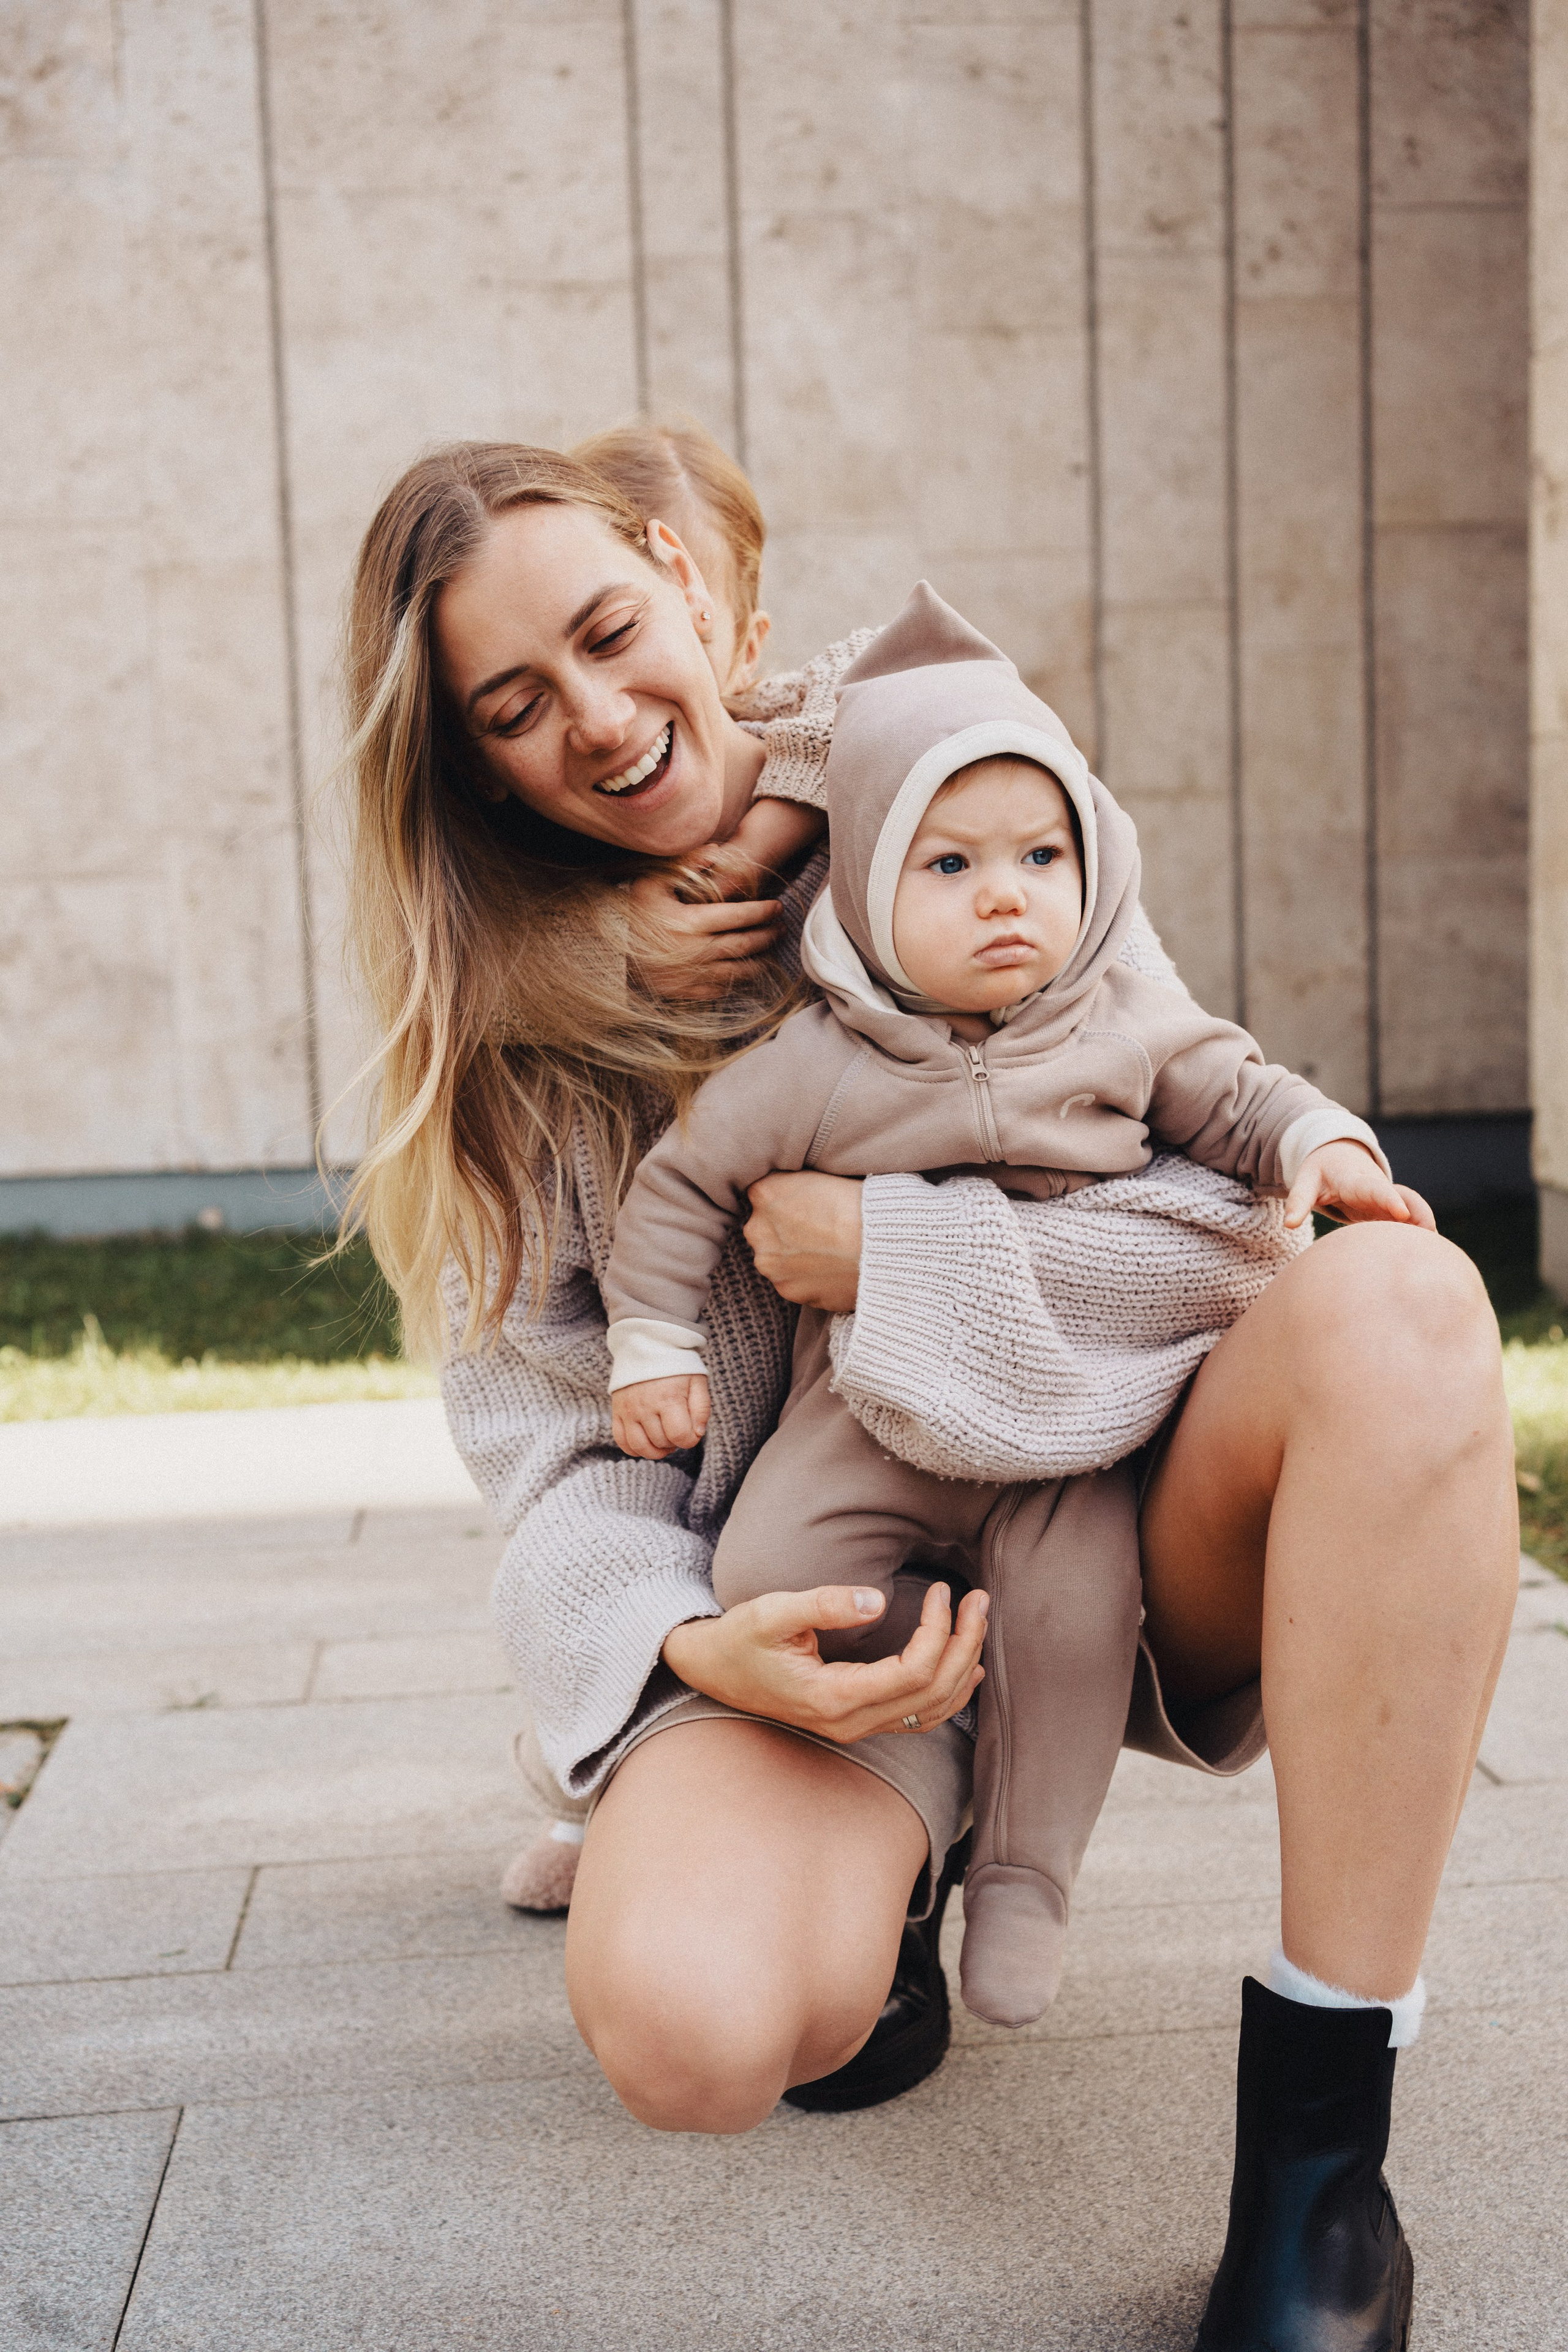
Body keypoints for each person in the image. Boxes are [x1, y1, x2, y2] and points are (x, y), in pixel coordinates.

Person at [339, 433, 1518, 2352]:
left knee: (1407, 1309)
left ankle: (1324, 2164)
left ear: (679, 575)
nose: (602, 719)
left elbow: (1217, 1221)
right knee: (693, 2030)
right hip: (824, 1587)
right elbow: (548, 1444)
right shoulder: (511, 1040)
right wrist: (682, 1661)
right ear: (475, 768)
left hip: (1116, 1521)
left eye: (611, 633)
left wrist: (893, 1261)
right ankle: (887, 1858)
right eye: (517, 709)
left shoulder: (962, 778)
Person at [603, 578, 1419, 2035]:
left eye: (1042, 854)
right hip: (859, 1426)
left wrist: (1325, 1148)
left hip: (1061, 1449)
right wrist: (651, 1346)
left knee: (1073, 1620)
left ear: (1092, 862)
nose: (1004, 894)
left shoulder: (1120, 1022)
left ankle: (1028, 1875)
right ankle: (922, 1692)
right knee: (765, 1573)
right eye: (949, 863)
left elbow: (1240, 1101)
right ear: (859, 890)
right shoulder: (816, 1060)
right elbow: (679, 1186)